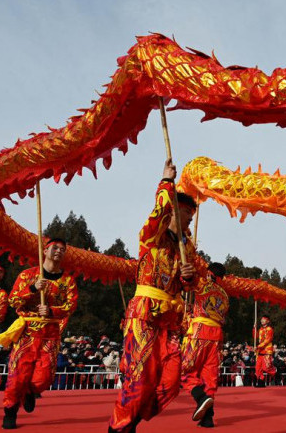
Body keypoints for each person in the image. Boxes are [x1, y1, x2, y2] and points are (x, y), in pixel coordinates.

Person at [109, 159, 203, 432]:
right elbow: (159, 211)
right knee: (139, 379)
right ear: (174, 211)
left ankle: (135, 415)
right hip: (145, 314)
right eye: (186, 213)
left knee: (172, 380)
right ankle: (119, 427)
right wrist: (165, 182)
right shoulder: (152, 237)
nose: (189, 220)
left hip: (170, 321)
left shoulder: (188, 249)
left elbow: (192, 285)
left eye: (192, 216)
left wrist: (188, 277)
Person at [0, 238, 78, 429]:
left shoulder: (68, 281)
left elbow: (71, 305)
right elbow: (14, 300)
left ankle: (31, 391)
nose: (58, 251)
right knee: (17, 376)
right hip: (27, 333)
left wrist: (51, 311)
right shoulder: (28, 275)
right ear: (45, 251)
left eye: (62, 249)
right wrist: (32, 289)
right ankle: (10, 412)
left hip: (51, 333)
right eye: (54, 248)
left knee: (45, 377)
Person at [181, 262, 229, 427]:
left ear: (210, 274)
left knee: (185, 370)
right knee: (209, 378)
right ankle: (208, 418)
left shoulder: (203, 284)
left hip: (199, 332)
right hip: (216, 337)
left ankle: (201, 397)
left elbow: (187, 280)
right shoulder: (224, 295)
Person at [254, 315, 277, 387]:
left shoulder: (269, 329)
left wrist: (258, 346)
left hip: (267, 350)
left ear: (268, 321)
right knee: (258, 368)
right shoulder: (260, 329)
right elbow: (255, 337)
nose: (261, 321)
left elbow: (268, 340)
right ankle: (261, 382)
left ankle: (275, 372)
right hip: (260, 351)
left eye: (263, 319)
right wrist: (254, 329)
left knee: (266, 367)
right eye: (261, 319)